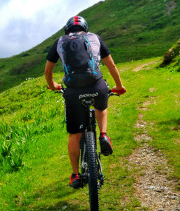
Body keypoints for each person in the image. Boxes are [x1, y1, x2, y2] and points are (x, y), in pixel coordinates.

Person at [45, 15, 126, 188]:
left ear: (67, 30)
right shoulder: (95, 38)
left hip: (73, 91)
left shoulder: (60, 41)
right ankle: (103, 135)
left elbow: (48, 70)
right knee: (101, 107)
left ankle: (75, 175)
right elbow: (111, 65)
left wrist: (53, 85)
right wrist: (118, 86)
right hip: (96, 85)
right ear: (85, 28)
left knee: (74, 134)